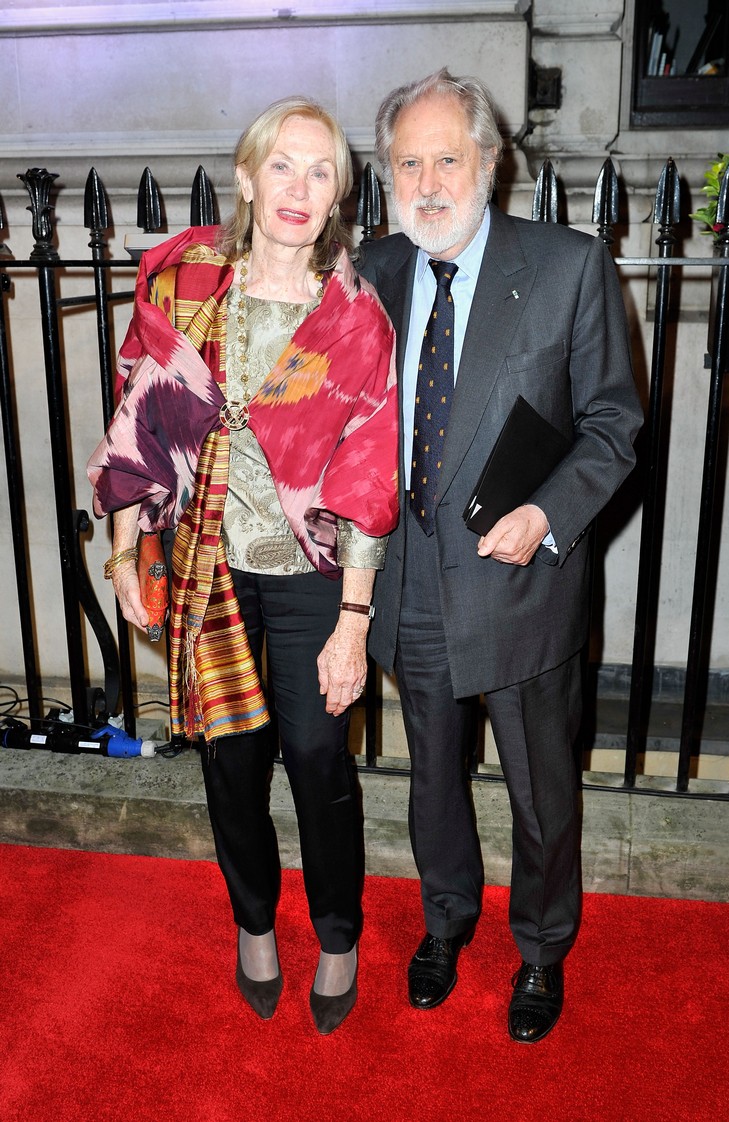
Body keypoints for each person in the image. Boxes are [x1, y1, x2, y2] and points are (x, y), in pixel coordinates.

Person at [88, 96, 399, 1036]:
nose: (299, 187)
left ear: (339, 194)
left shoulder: (352, 319)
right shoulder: (183, 282)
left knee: (318, 758)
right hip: (205, 566)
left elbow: (370, 475)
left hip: (309, 575)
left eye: (321, 171)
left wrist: (353, 624)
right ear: (247, 176)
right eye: (283, 164)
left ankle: (337, 935)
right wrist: (125, 547)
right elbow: (141, 418)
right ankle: (254, 924)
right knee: (230, 761)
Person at [357, 69, 642, 1043]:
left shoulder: (567, 267)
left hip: (522, 583)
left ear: (489, 161)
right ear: (387, 174)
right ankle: (444, 923)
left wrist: (546, 514)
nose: (428, 183)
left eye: (447, 158)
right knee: (431, 779)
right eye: (408, 163)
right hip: (410, 579)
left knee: (539, 792)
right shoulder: (373, 270)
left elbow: (612, 424)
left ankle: (541, 948)